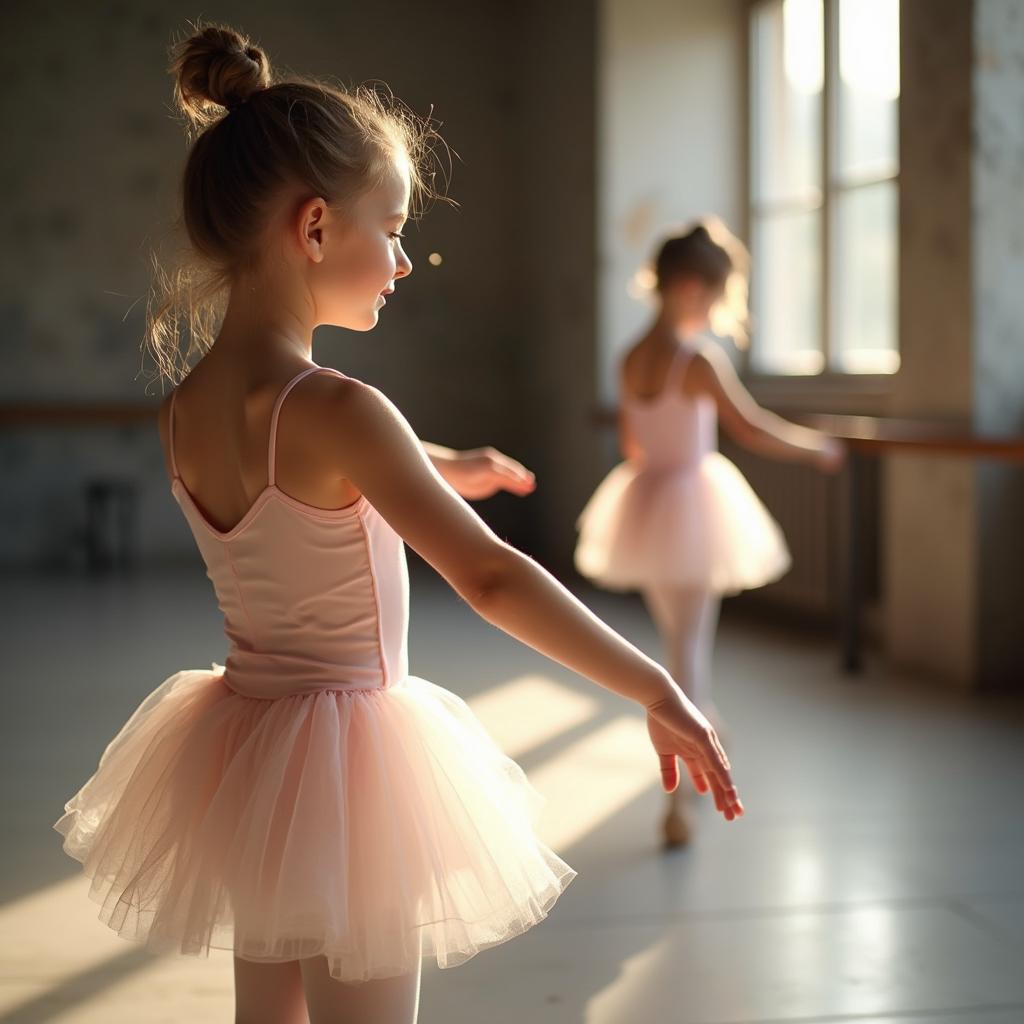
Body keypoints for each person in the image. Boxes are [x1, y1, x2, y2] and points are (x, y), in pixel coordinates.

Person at [54, 26, 741, 1024]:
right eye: (394, 227)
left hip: (248, 752)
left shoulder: (186, 409)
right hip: (351, 761)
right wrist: (655, 682)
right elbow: (489, 576)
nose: (405, 260)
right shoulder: (339, 408)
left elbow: (320, 493)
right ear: (317, 226)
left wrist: (444, 468)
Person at [575, 218, 843, 848]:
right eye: (718, 293)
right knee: (688, 656)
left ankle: (701, 732)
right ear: (693, 287)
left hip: (647, 502)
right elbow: (748, 427)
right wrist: (816, 451)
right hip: (693, 504)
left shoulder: (631, 356)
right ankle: (679, 800)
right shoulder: (696, 359)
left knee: (678, 644)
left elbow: (632, 444)